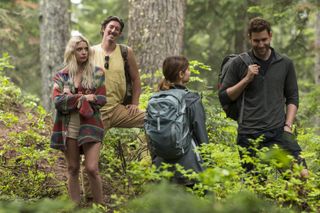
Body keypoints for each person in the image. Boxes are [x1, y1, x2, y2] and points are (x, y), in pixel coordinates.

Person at [218, 17, 308, 177]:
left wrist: (288, 126)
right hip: (249, 135)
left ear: (271, 36)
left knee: (301, 175)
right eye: (256, 40)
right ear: (249, 38)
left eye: (264, 39)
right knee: (257, 188)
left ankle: (292, 202)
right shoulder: (239, 63)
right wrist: (246, 79)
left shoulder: (285, 63)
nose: (260, 45)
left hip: (279, 132)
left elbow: (292, 97)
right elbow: (225, 97)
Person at [50, 35, 106, 204]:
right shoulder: (61, 76)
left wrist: (72, 97)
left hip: (91, 125)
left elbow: (102, 99)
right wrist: (83, 98)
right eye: (79, 49)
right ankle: (75, 206)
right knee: (73, 168)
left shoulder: (97, 73)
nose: (83, 52)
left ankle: (100, 206)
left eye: (85, 49)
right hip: (68, 126)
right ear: (72, 52)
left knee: (92, 168)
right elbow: (58, 102)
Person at [152, 56, 209, 187]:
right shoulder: (191, 99)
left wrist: (155, 161)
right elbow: (201, 134)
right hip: (189, 167)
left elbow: (152, 134)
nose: (190, 72)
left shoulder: (155, 99)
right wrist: (209, 163)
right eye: (188, 69)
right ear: (181, 74)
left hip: (161, 167)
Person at [92, 16, 144, 130]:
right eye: (111, 27)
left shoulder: (125, 52)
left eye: (117, 29)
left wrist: (135, 104)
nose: (113, 30)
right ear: (103, 29)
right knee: (89, 146)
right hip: (96, 112)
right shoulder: (91, 52)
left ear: (119, 34)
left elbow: (136, 79)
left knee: (152, 119)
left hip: (117, 110)